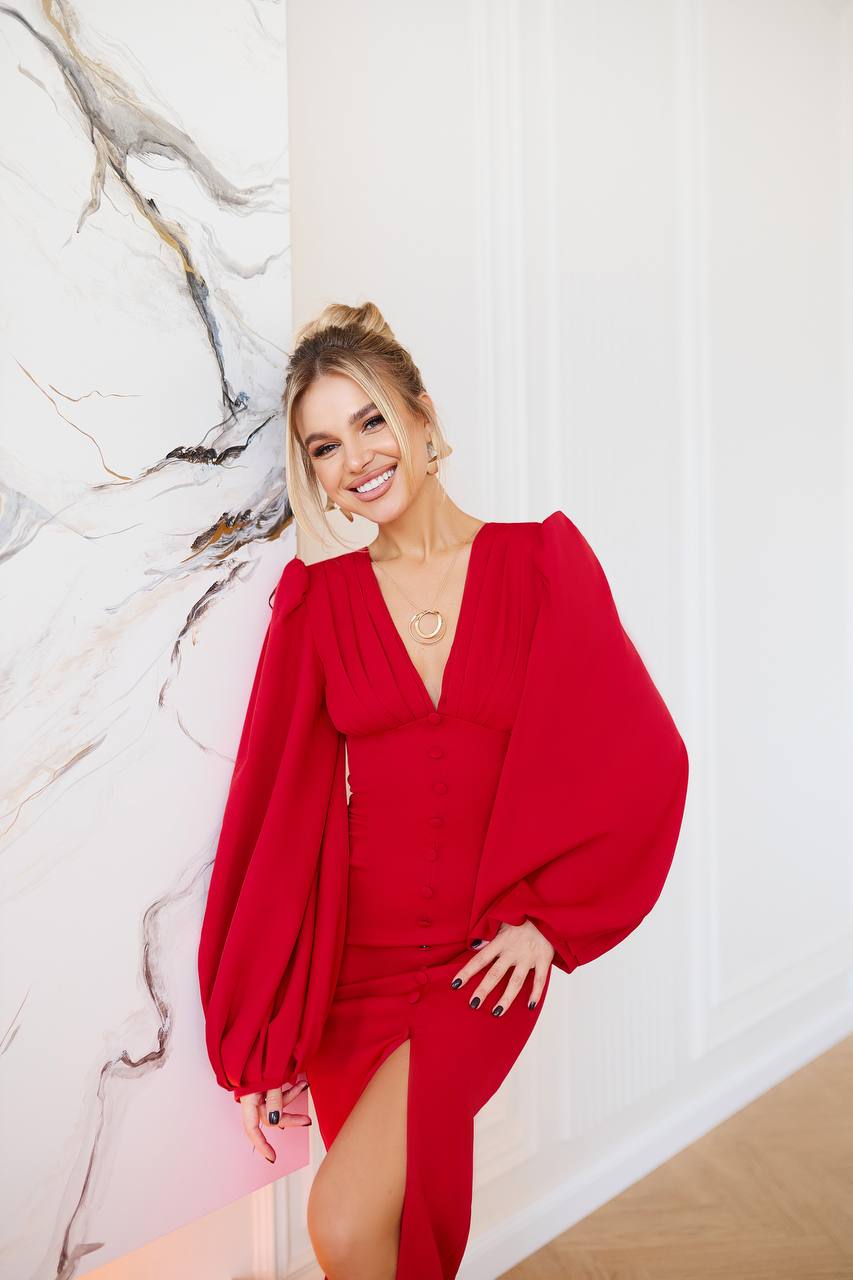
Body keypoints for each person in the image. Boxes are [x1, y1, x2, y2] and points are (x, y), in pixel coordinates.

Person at [197, 301, 690, 1280]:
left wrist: (549, 922)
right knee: (385, 1243)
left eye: (370, 420)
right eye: (324, 445)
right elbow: (273, 814)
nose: (355, 458)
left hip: (480, 963)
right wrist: (259, 1031)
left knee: (342, 1221)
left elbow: (643, 756)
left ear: (421, 416)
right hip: (352, 974)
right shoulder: (315, 605)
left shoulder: (540, 564)